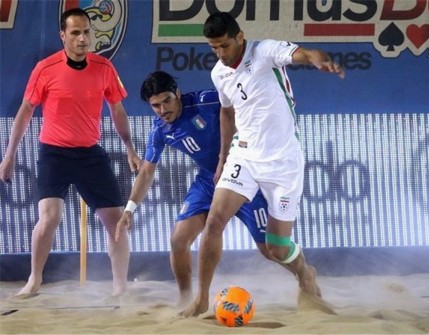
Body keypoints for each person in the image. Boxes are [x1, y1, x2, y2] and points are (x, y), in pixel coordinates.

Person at [180, 12, 344, 317]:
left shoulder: (264, 51)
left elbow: (306, 53)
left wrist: (319, 60)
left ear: (240, 36)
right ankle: (202, 298)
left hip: (283, 161)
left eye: (225, 46)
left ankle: (305, 272)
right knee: (214, 221)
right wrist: (223, 159)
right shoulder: (219, 73)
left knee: (276, 248)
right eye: (214, 48)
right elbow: (227, 114)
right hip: (244, 155)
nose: (220, 54)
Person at [115, 71, 315, 308]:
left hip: (247, 174)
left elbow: (247, 106)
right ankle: (187, 299)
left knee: (270, 250)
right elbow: (147, 171)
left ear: (178, 93)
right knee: (179, 240)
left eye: (167, 100)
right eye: (155, 105)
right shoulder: (160, 129)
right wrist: (129, 209)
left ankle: (304, 272)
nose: (162, 110)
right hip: (210, 180)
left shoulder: (209, 101)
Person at [0, 8, 141, 297]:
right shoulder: (45, 68)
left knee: (116, 221)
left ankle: (120, 287)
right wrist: (9, 154)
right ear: (63, 36)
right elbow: (26, 111)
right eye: (75, 33)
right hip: (54, 154)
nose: (82, 38)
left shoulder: (104, 68)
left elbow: (117, 110)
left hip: (90, 154)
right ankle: (34, 280)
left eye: (86, 32)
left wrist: (130, 148)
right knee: (49, 217)